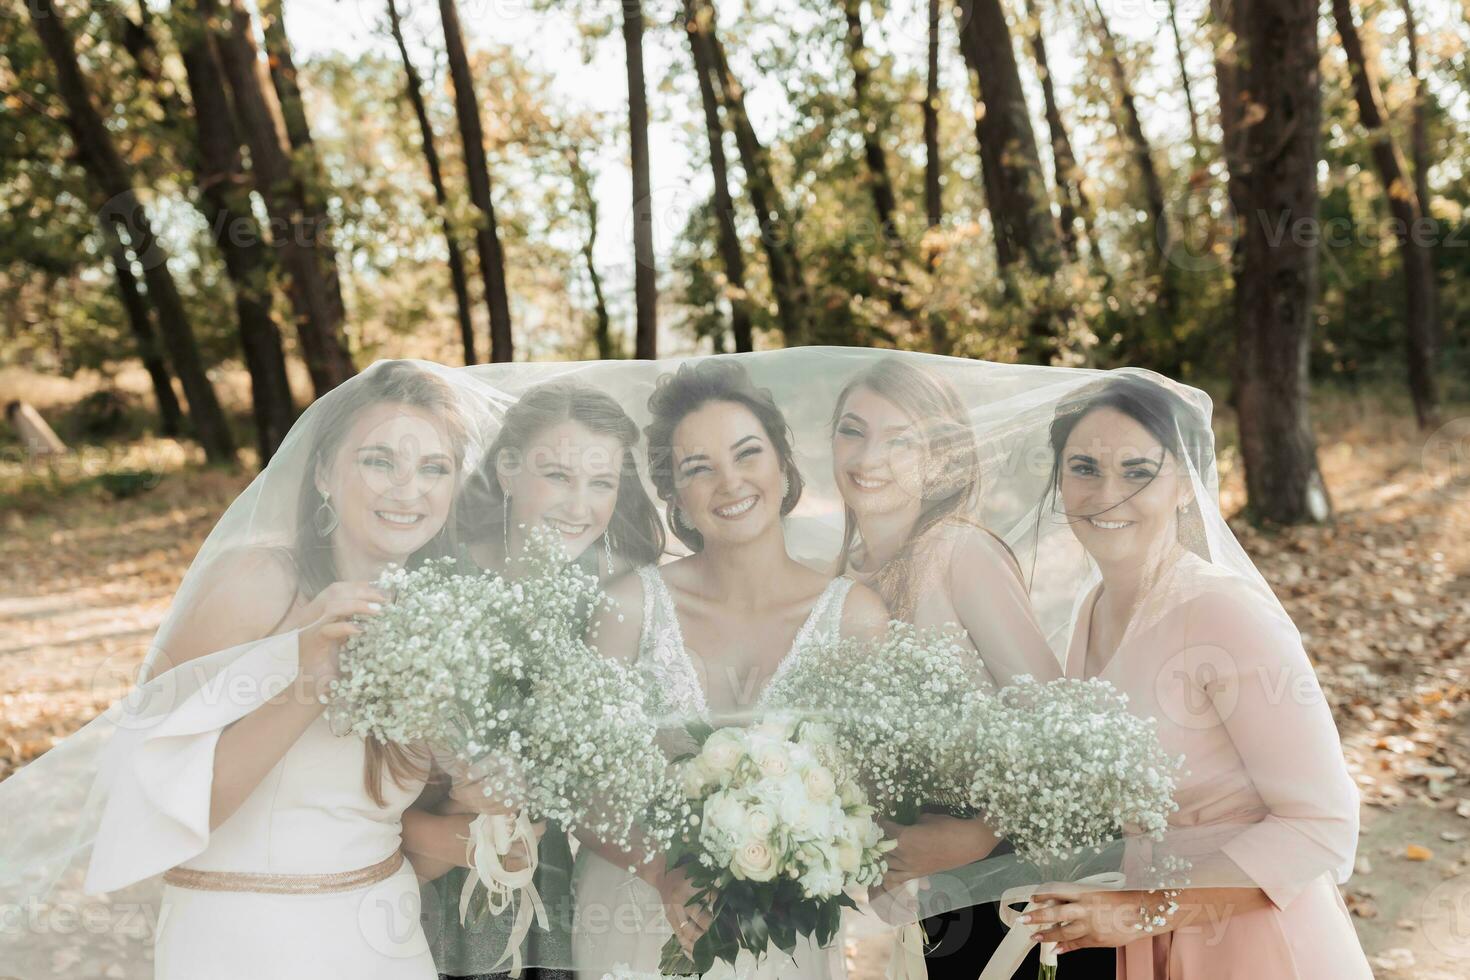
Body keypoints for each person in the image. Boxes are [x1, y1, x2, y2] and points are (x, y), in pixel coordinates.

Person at [83, 361, 478, 978]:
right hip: (243, 940)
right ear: (323, 472)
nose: (410, 489)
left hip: (385, 936)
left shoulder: (443, 621)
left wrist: (502, 813)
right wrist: (309, 673)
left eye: (434, 468)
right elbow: (151, 802)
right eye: (379, 461)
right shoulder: (255, 584)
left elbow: (390, 821)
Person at [1020, 375, 1371, 978]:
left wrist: (1141, 911)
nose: (1108, 494)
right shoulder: (1093, 609)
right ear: (1059, 481)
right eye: (1084, 467)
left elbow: (1324, 824)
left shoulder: (1223, 613)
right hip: (1143, 938)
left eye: (1137, 471)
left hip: (1246, 940)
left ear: (1184, 485)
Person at [573, 359, 887, 979]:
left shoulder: (854, 617)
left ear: (783, 465)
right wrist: (663, 872)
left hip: (787, 939)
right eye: (699, 468)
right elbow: (579, 787)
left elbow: (875, 792)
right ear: (677, 499)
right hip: (637, 918)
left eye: (747, 454)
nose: (730, 482)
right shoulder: (628, 607)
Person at [828, 357, 1110, 979]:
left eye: (900, 439)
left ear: (941, 460)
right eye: (852, 430)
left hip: (1019, 885)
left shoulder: (960, 552)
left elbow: (1059, 735)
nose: (869, 455)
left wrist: (983, 832)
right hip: (931, 892)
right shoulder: (843, 578)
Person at [402, 379, 664, 980]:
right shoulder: (438, 577)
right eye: (559, 476)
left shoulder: (628, 593)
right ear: (509, 470)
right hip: (436, 865)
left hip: (553, 877)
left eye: (602, 483)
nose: (580, 506)